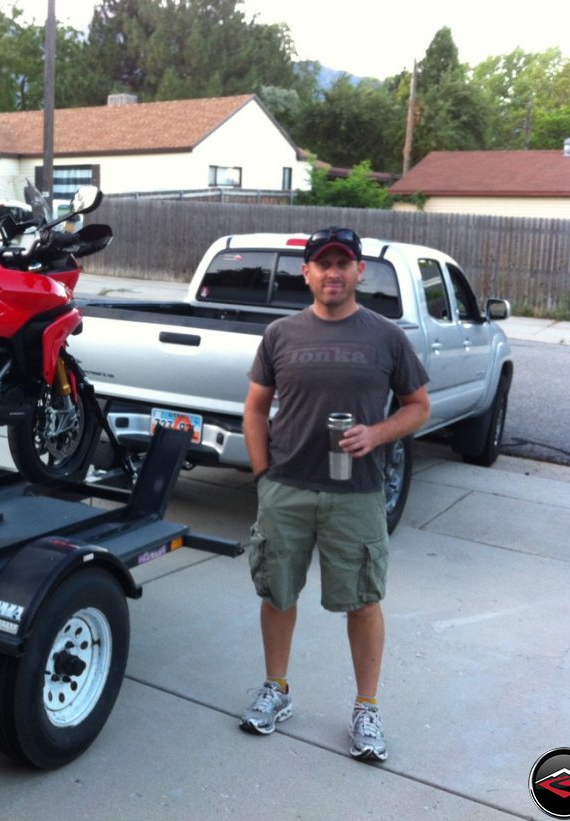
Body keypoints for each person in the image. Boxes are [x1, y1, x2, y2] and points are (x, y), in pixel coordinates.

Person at [239, 226, 431, 762]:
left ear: (359, 271)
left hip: (358, 494)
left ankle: (366, 706)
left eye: (342, 263)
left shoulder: (386, 336)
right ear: (306, 273)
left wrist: (377, 433)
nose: (332, 273)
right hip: (287, 489)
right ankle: (276, 689)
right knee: (277, 592)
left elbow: (418, 405)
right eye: (322, 264)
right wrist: (262, 475)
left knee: (364, 602)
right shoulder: (280, 334)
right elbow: (255, 408)